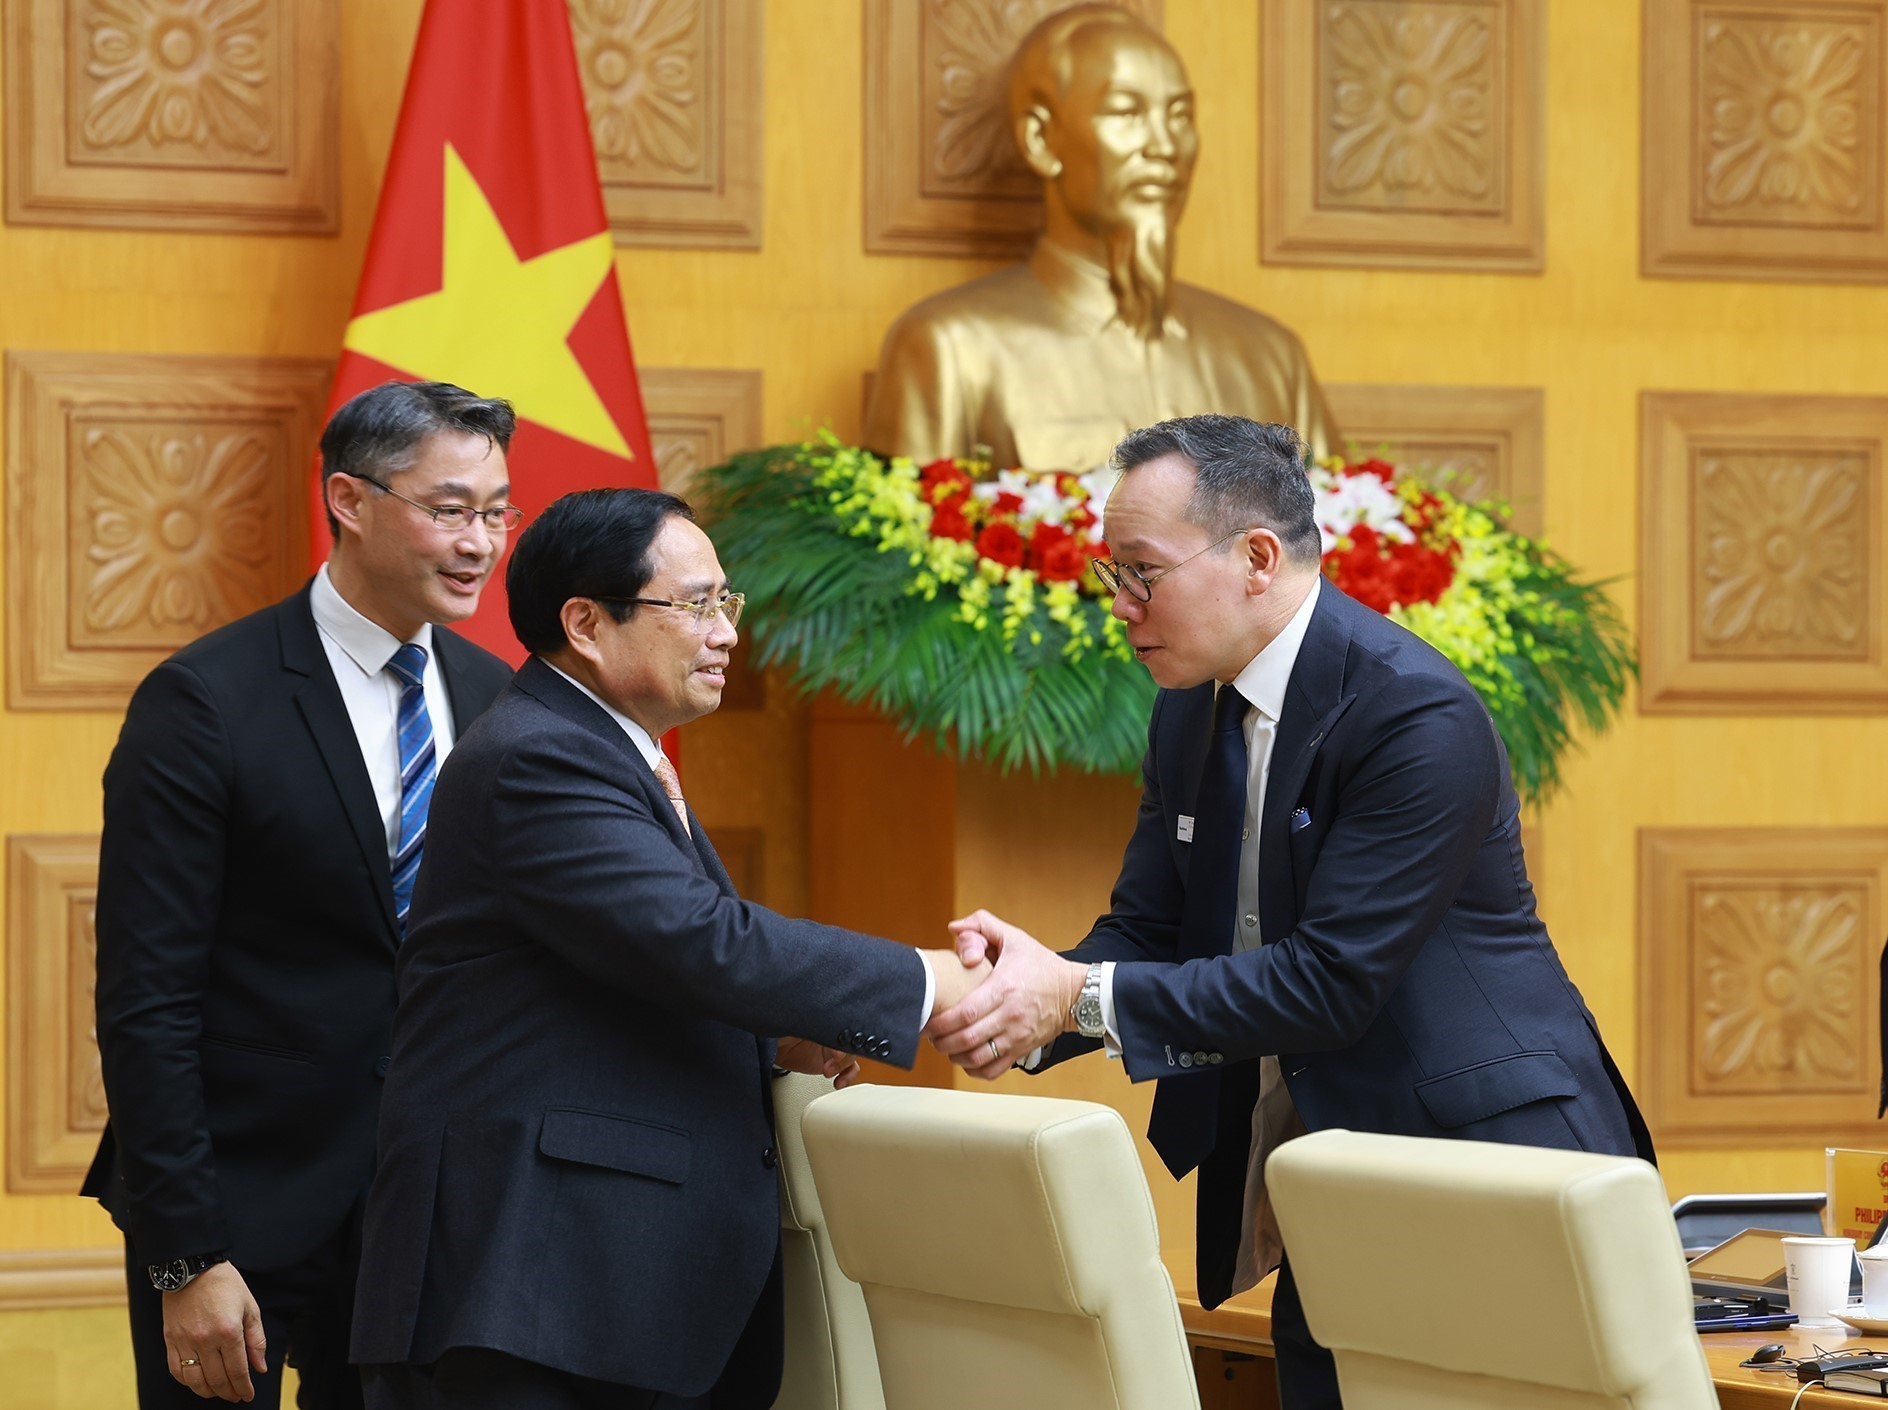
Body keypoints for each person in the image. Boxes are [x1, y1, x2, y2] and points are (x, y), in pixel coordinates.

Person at [927, 415, 1654, 1410]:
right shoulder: (1189, 707)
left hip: (1495, 1164)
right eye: (1112, 573)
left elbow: (1329, 983)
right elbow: (1148, 930)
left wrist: (1073, 998)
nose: (1120, 604)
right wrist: (1000, 997)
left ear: (1257, 558)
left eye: (1143, 573)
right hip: (1338, 1169)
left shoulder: (1412, 713)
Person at [349, 487, 987, 1410]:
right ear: (586, 623)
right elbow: (696, 940)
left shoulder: (606, 752)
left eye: (727, 602)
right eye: (694, 605)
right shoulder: (539, 756)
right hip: (533, 1297)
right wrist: (931, 980)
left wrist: (771, 1042)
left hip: (598, 1300)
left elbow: (612, 975)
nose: (726, 633)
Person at [84, 380, 522, 1407]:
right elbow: (146, 1001)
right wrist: (185, 1254)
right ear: (348, 499)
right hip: (238, 1202)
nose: (480, 543)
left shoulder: (498, 698)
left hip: (429, 1208)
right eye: (450, 509)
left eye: (499, 513)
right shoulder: (204, 700)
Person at [863, 4, 1336, 474]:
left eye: (1179, 115)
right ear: (1041, 140)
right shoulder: (951, 349)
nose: (1164, 146)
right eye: (1127, 112)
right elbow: (909, 518)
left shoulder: (1273, 358)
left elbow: (1339, 515)